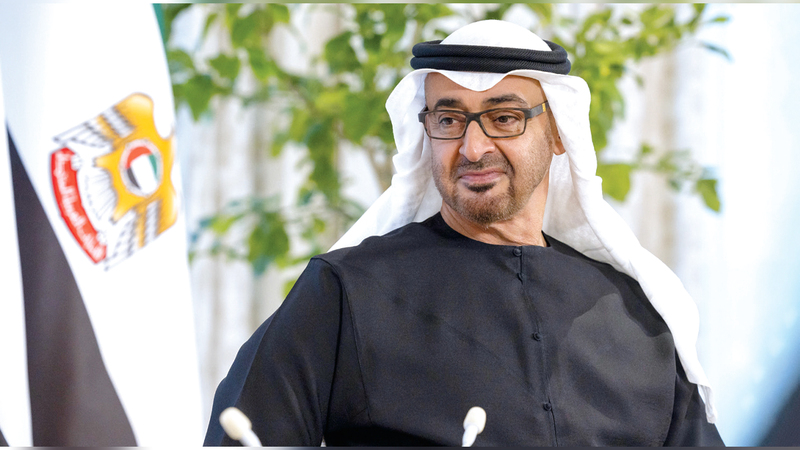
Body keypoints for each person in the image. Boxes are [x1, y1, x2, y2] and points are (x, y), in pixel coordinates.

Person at [204, 20, 724, 446]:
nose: (473, 148)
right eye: (449, 121)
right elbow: (242, 436)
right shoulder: (346, 293)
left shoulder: (640, 317)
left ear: (558, 133)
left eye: (504, 118)